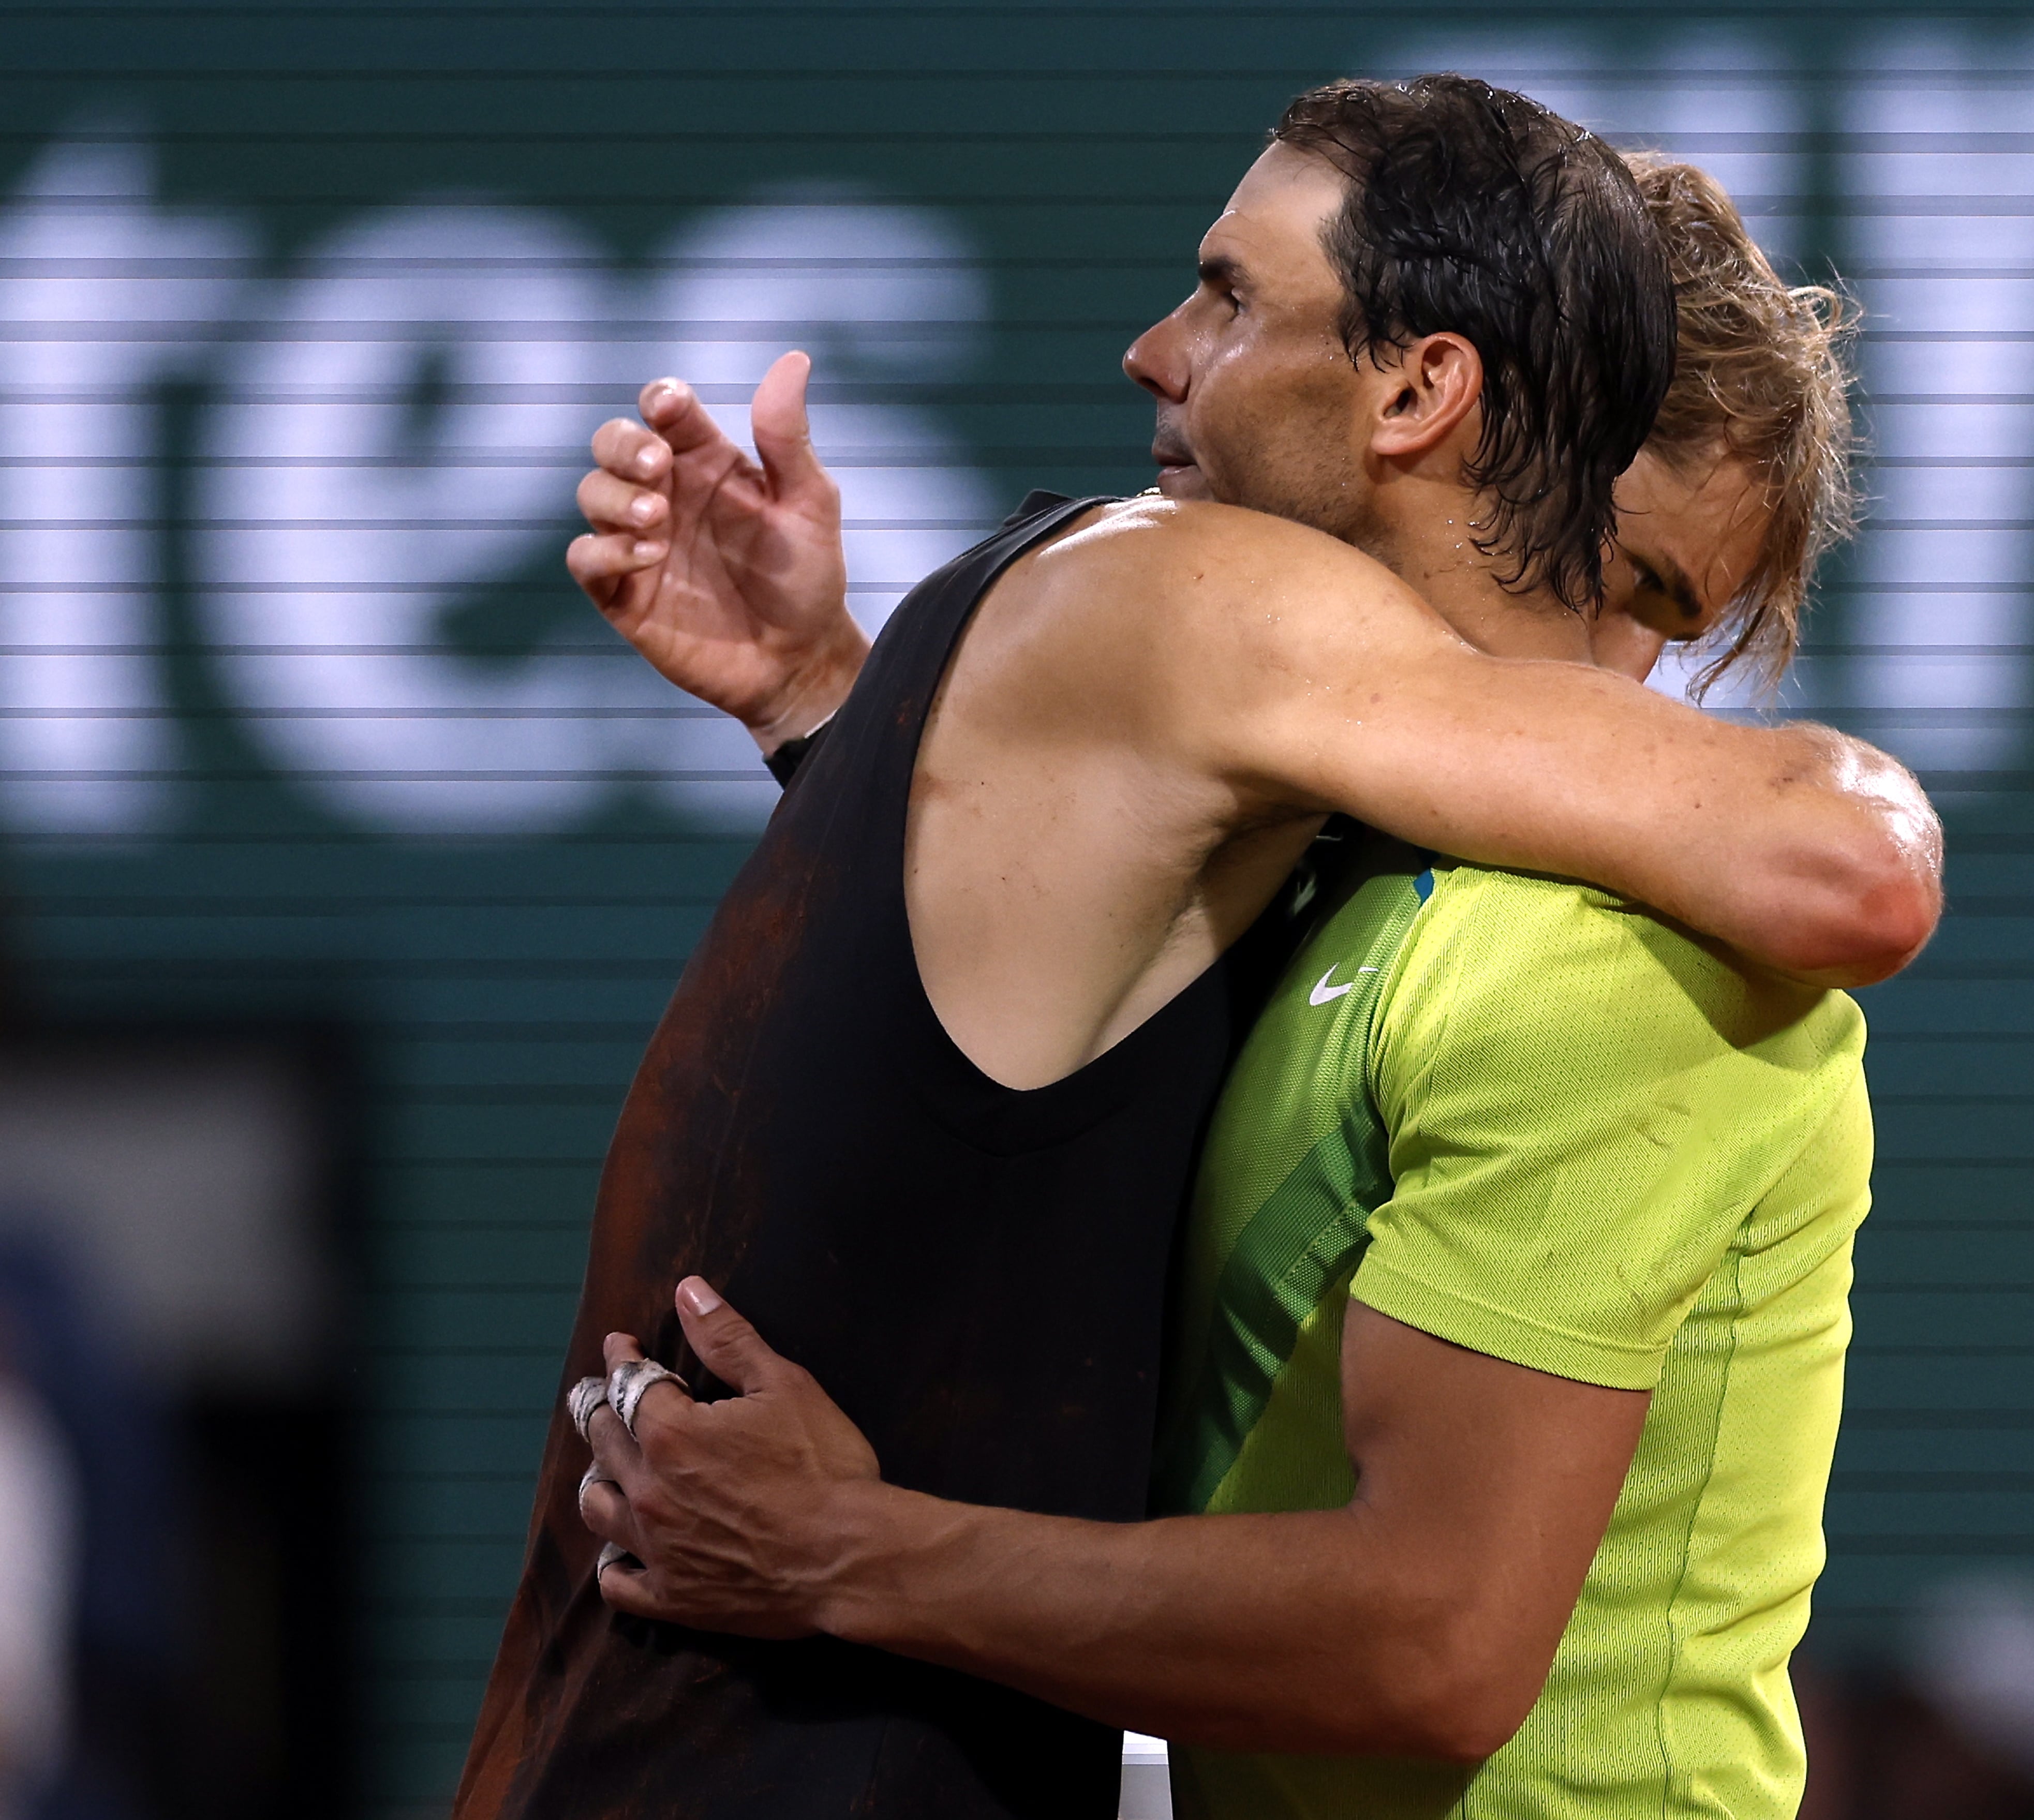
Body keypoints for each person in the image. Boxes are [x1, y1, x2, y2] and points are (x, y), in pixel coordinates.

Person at [459, 79, 1939, 1820]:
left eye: (1672, 619)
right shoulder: (1328, 878)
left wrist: (851, 1550)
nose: (1628, 690)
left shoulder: (1601, 960)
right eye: (1630, 578)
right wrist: (835, 718)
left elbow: (1432, 1647)